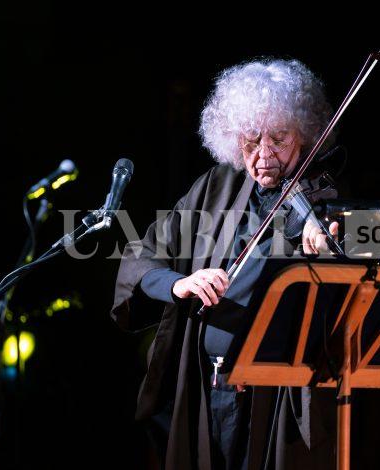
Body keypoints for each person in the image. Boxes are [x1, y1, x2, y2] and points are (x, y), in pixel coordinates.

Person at [112, 58, 340, 470]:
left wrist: (332, 243)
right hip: (205, 388)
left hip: (276, 398)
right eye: (251, 141)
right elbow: (141, 253)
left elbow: (377, 238)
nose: (265, 155)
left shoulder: (321, 199)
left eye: (280, 138)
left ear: (304, 135)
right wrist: (178, 284)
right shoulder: (217, 186)